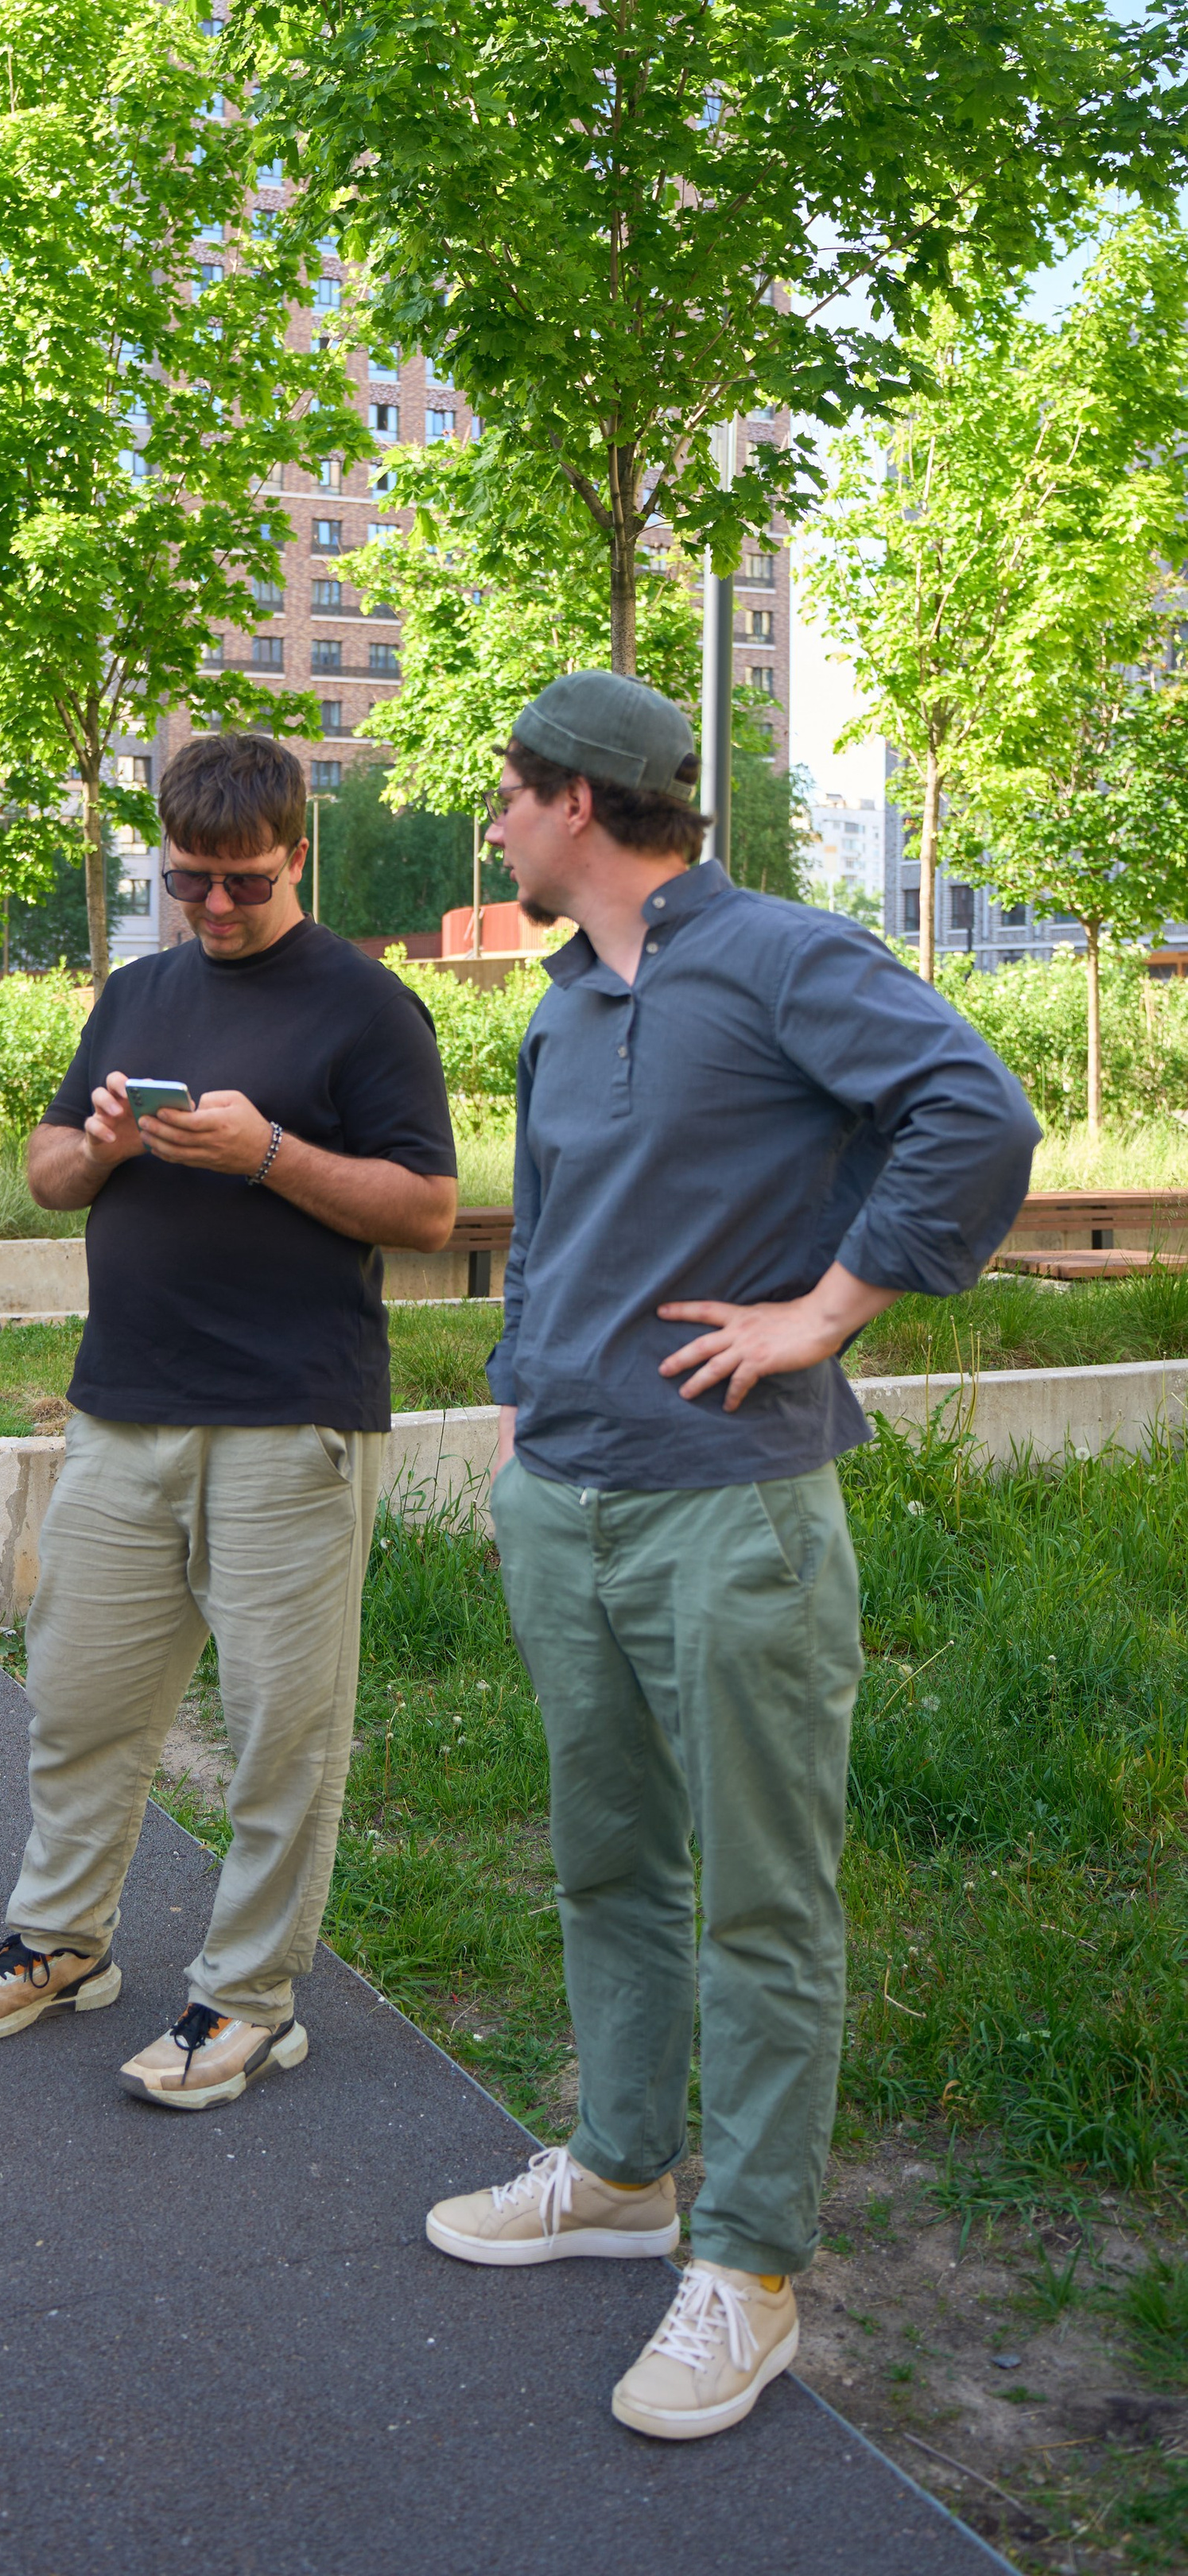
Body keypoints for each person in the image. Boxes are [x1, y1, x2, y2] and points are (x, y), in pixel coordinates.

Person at [424, 672, 1037, 2439]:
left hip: (734, 1511)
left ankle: (749, 2268)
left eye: (507, 797)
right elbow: (542, 1221)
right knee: (605, 1857)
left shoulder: (774, 955)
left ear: (576, 805)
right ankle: (620, 2173)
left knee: (763, 1897)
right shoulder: (556, 1003)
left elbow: (970, 1114)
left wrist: (825, 1311)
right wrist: (521, 1399)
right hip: (572, 1496)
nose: (492, 825)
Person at [0, 731, 460, 2107]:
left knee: (283, 1732)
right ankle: (61, 1943)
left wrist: (268, 1152)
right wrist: (103, 1144)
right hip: (126, 1408)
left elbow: (426, 1210)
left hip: (291, 1417)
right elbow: (45, 1171)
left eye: (240, 882)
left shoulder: (368, 1008)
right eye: (187, 882)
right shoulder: (137, 992)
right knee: (81, 1703)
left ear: (297, 854)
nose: (214, 910)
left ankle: (247, 2001)